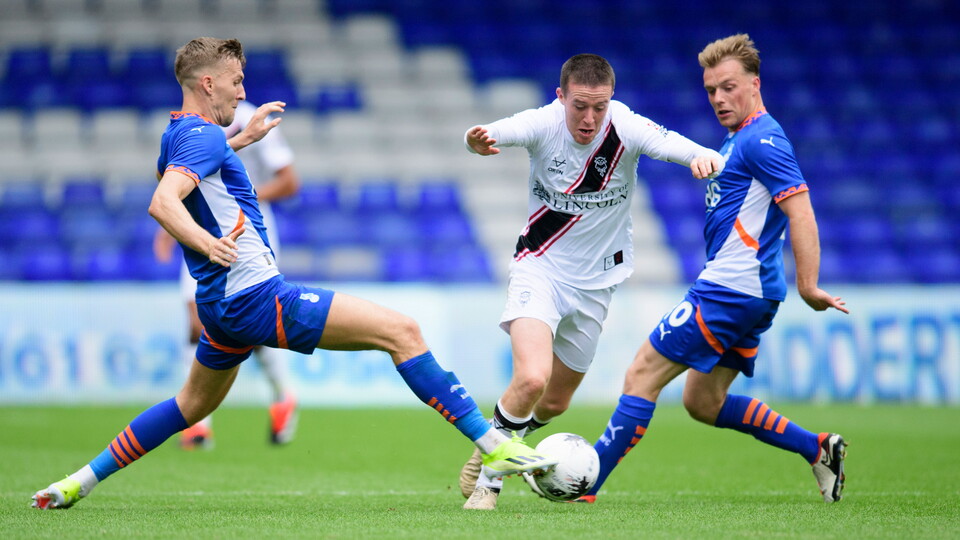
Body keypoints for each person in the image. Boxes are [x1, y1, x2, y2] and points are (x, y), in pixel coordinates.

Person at [31, 37, 555, 510]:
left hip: (222, 308)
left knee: (189, 405)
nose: (242, 93)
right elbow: (163, 203)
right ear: (208, 82)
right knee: (404, 332)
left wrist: (241, 143)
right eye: (236, 82)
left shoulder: (179, 134)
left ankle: (79, 481)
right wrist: (209, 243)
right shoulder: (201, 137)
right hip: (254, 294)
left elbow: (194, 172)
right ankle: (495, 446)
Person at [574, 34, 849, 505]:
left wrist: (810, 285)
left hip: (730, 289)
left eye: (729, 87)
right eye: (710, 90)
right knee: (703, 402)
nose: (719, 98)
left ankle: (583, 485)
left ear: (755, 84)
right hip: (750, 292)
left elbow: (801, 210)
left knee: (642, 373)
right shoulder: (739, 138)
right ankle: (818, 448)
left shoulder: (763, 139)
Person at [458, 53, 725, 510]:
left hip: (597, 283)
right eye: (579, 105)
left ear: (611, 100)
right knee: (531, 377)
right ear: (560, 96)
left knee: (556, 402)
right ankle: (489, 479)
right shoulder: (544, 123)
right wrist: (476, 140)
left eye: (599, 106)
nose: (589, 118)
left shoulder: (624, 126)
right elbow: (498, 131)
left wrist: (703, 157)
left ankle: (498, 436)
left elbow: (678, 145)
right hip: (539, 267)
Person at [154, 98, 302, 449]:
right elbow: (176, 183)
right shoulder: (188, 126)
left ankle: (284, 395)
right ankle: (199, 424)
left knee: (253, 323)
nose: (238, 89)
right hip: (200, 227)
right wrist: (168, 224)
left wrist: (239, 194)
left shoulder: (249, 117)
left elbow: (289, 182)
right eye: (233, 80)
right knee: (195, 319)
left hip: (245, 230)